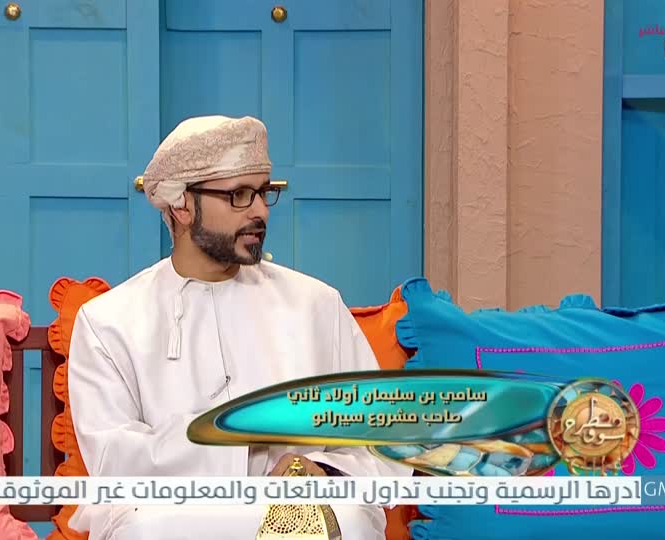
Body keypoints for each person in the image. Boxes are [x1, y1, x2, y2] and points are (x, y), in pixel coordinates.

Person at [66, 115, 411, 540]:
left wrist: (322, 470)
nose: (260, 211)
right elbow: (113, 460)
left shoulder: (314, 305)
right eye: (239, 195)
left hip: (295, 511)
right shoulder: (109, 321)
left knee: (346, 521)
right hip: (173, 513)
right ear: (182, 205)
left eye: (264, 193)